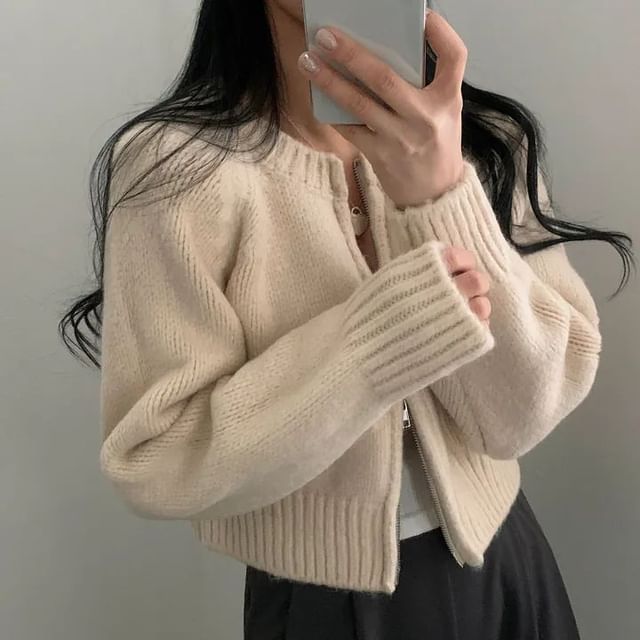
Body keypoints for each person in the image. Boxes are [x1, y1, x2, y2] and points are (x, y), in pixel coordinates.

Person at [60, 1, 634, 638]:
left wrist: (442, 192)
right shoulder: (179, 169)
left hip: (507, 561)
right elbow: (158, 461)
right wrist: (382, 339)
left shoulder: (486, 140)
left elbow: (523, 417)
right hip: (326, 605)